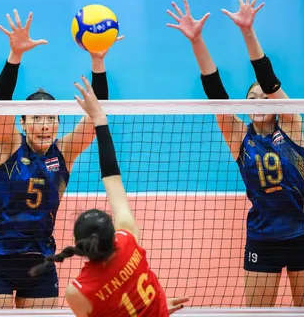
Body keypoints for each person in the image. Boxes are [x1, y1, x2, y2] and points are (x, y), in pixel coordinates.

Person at [166, 0, 304, 307]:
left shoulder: (292, 127)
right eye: (251, 98)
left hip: (302, 234)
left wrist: (248, 31)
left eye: (264, 97)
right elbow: (216, 94)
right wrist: (197, 41)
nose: (259, 101)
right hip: (263, 239)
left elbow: (269, 80)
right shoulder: (240, 137)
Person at [0, 10, 121, 309]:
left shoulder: (64, 152)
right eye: (36, 118)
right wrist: (15, 55)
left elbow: (96, 113)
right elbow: (1, 102)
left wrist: (97, 61)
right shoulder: (8, 146)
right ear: (23, 122)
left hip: (41, 263)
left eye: (51, 118)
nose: (44, 125)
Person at [30, 76, 190, 317]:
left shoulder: (79, 291)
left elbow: (112, 181)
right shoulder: (128, 244)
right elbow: (113, 180)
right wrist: (156, 303)